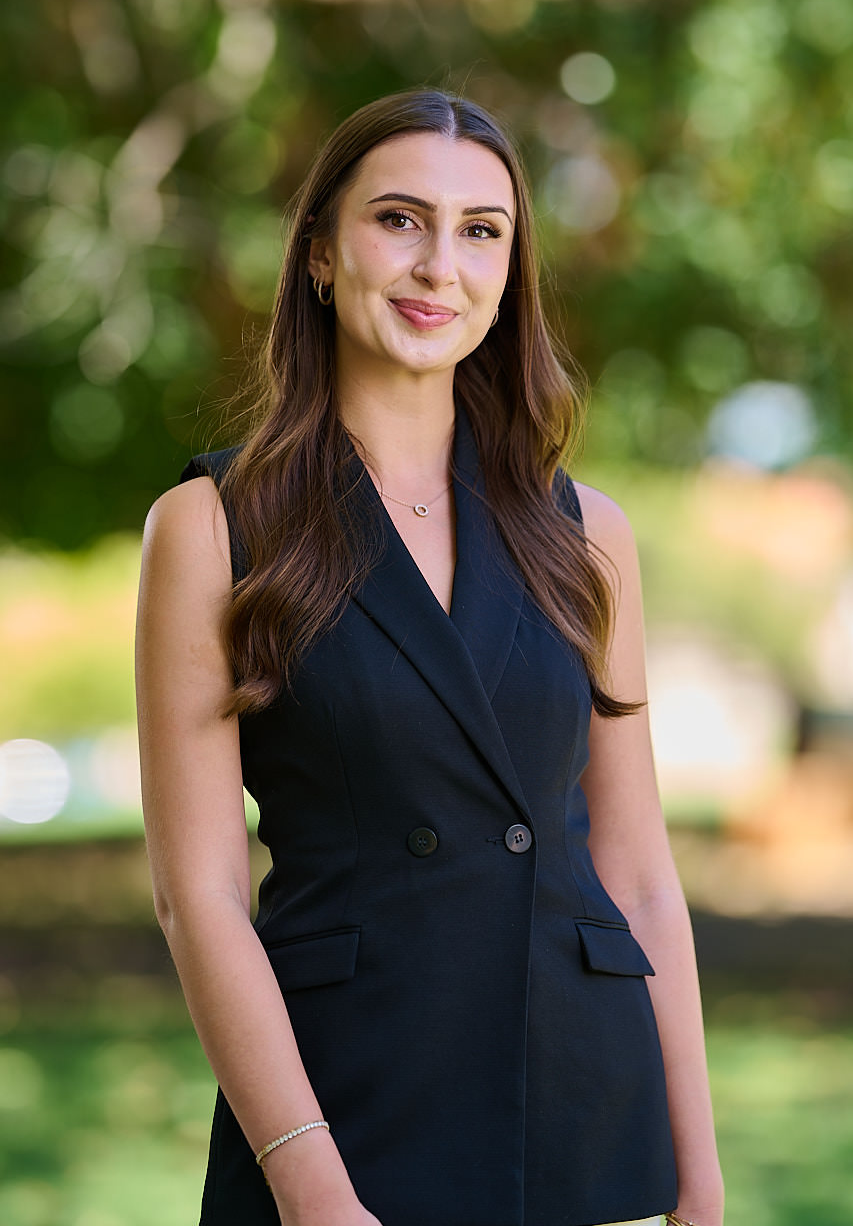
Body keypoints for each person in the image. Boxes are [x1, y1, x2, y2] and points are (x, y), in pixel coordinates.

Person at [135, 88, 724, 1226]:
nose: (437, 264)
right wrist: (312, 1191)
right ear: (318, 253)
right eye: (397, 219)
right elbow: (194, 893)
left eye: (480, 230)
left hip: (579, 1112)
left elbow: (641, 874)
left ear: (509, 274)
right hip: (343, 1113)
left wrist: (697, 1182)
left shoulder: (587, 530)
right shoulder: (212, 524)